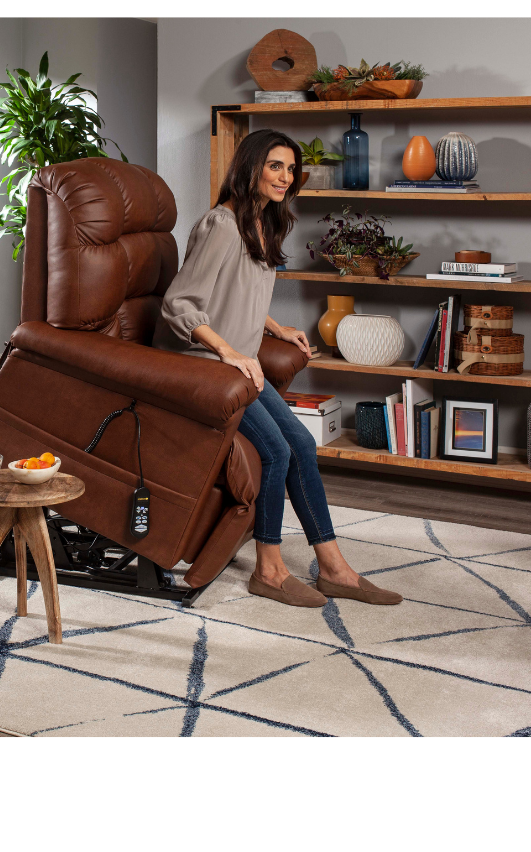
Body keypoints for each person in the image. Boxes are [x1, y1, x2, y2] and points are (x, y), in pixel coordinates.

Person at [152, 129, 402, 608]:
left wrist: (276, 328)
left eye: (291, 169)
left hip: (237, 366)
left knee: (302, 444)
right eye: (275, 167)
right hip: (206, 367)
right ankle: (269, 569)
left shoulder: (263, 223)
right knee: (275, 453)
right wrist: (229, 351)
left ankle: (334, 568)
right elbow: (181, 303)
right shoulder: (221, 224)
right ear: (250, 168)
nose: (286, 177)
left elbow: (236, 289)